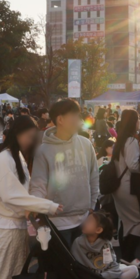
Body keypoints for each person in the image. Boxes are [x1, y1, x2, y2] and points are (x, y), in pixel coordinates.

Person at [0, 116, 62, 279]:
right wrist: (47, 206)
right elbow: (12, 195)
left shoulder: (15, 156)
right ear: (18, 133)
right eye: (30, 136)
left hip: (16, 226)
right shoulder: (5, 158)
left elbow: (21, 193)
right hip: (8, 226)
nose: (32, 141)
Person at [30, 99, 99, 245]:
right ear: (60, 119)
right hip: (57, 223)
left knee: (82, 264)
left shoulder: (86, 144)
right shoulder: (43, 150)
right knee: (62, 267)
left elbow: (94, 177)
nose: (79, 120)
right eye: (74, 115)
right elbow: (38, 184)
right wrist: (38, 208)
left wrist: (91, 206)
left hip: (84, 219)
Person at [111, 110, 140, 270]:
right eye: (138, 120)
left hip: (119, 186)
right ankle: (128, 257)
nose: (139, 123)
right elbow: (134, 165)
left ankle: (126, 258)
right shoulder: (131, 141)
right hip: (129, 186)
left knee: (127, 222)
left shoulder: (121, 139)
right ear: (133, 122)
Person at [71, 211, 138, 279]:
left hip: (101, 275)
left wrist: (103, 275)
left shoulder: (106, 244)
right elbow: (76, 266)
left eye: (89, 221)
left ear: (98, 230)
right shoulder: (78, 242)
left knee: (134, 269)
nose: (84, 223)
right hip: (88, 277)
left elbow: (110, 264)